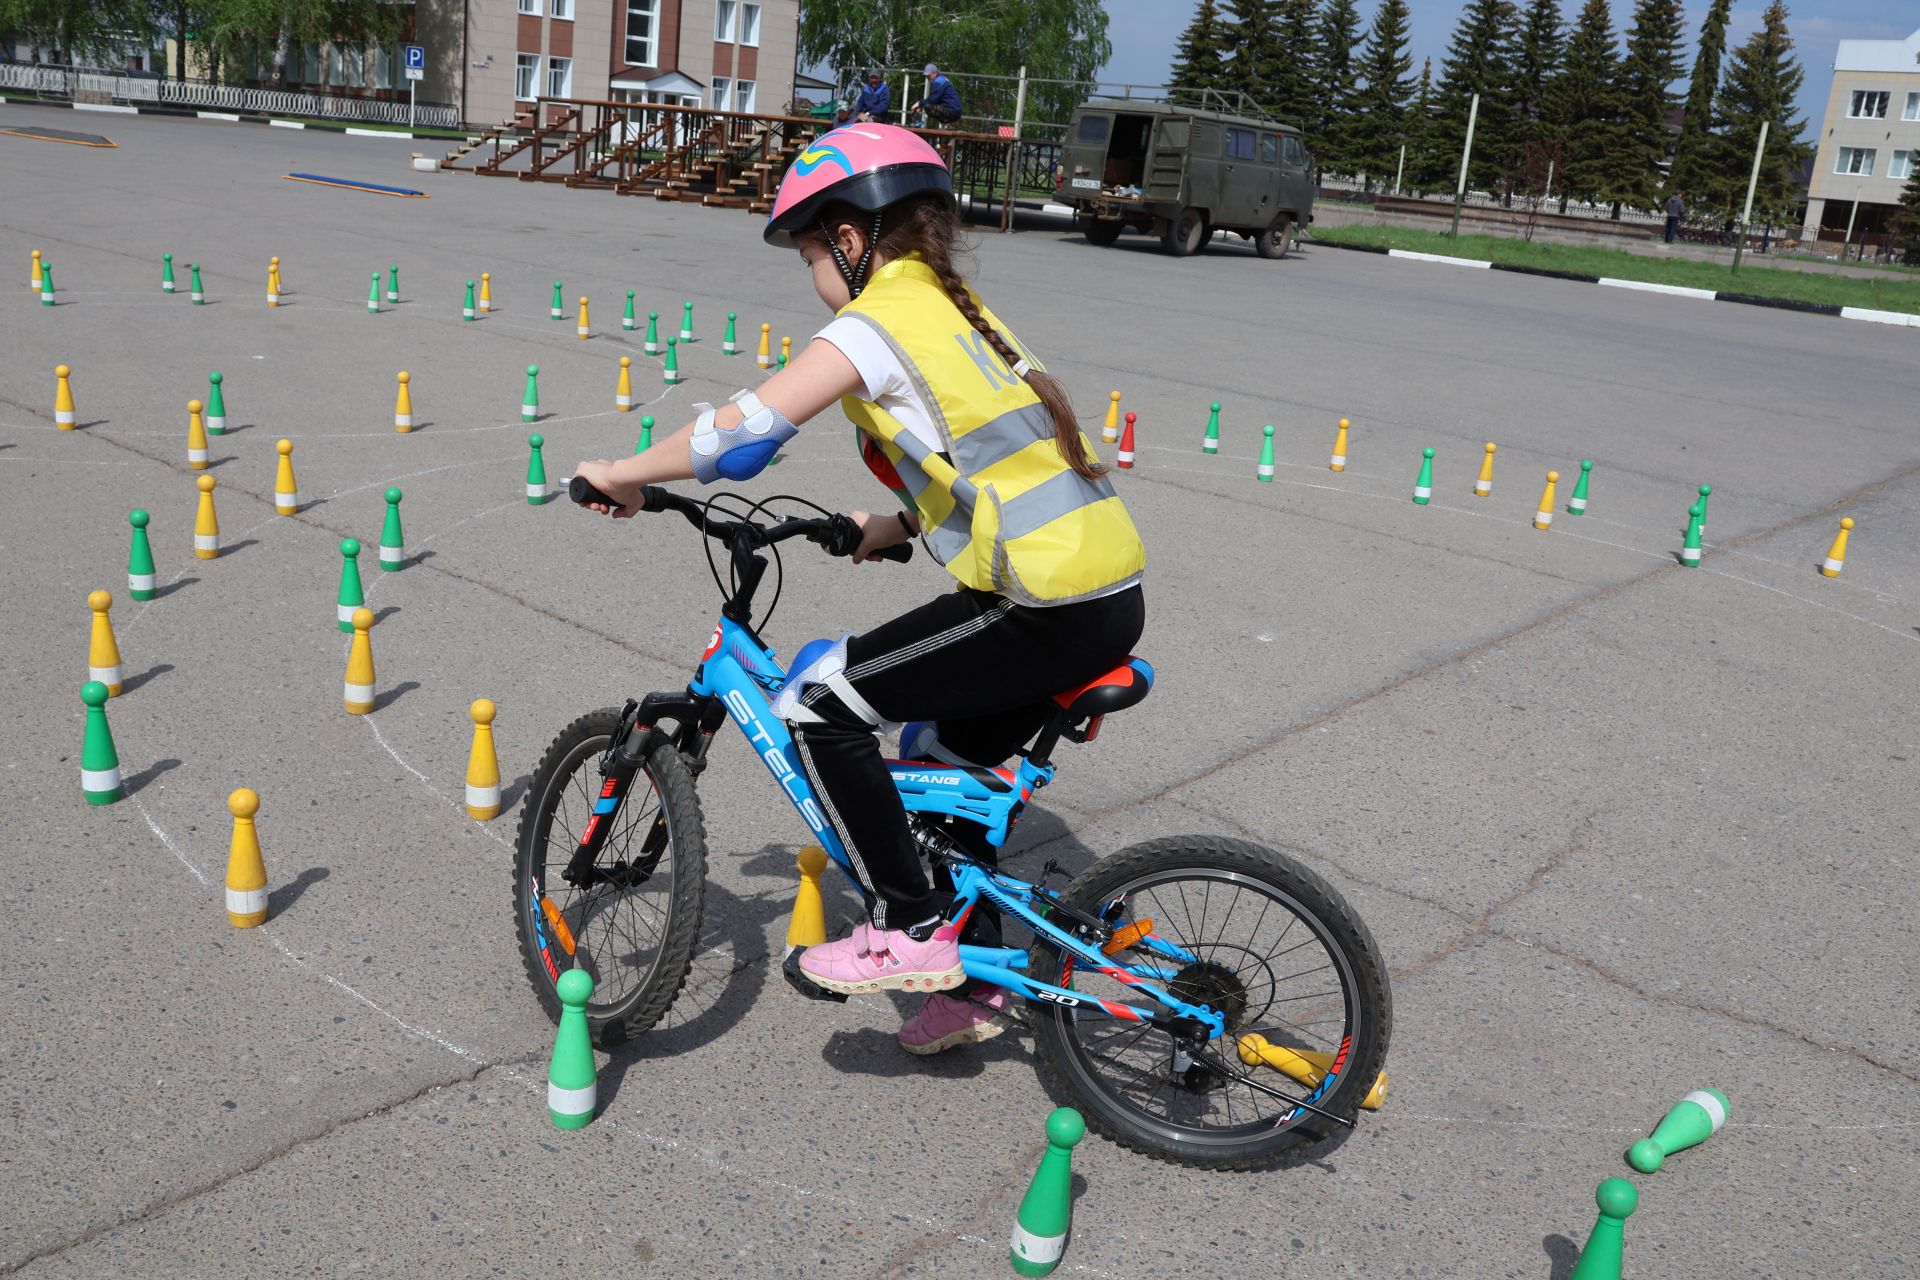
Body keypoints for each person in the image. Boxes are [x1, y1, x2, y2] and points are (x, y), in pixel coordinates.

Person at [572, 125, 1146, 1055]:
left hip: (1038, 605)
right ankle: (966, 984)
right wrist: (888, 527)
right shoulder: (960, 314)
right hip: (1101, 591)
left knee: (815, 702)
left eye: (808, 253)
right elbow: (998, 463)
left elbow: (740, 436)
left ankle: (910, 927)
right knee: (942, 761)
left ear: (850, 237)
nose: (811, 276)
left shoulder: (876, 323)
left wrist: (629, 472)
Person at [909, 63, 962, 128]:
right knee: (932, 106)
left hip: (951, 111)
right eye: (926, 76)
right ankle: (937, 126)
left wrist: (919, 103)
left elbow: (932, 100)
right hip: (955, 111)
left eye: (929, 75)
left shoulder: (938, 82)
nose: (927, 78)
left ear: (935, 73)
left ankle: (932, 127)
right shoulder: (943, 79)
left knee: (928, 107)